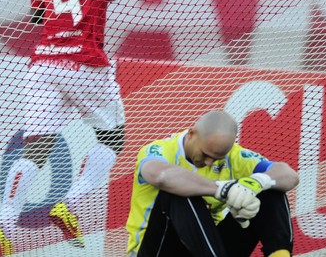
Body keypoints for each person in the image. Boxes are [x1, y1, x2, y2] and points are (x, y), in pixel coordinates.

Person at [0, 0, 169, 256]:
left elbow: (40, 15)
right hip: (83, 63)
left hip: (43, 65)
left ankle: (3, 227)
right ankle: (69, 202)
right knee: (113, 138)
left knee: (36, 147)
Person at [126, 110, 300, 256]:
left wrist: (255, 183)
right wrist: (223, 189)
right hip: (158, 249)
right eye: (205, 154)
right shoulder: (160, 150)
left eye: (217, 158)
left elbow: (289, 175)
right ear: (191, 134)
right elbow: (161, 176)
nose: (209, 162)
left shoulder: (234, 156)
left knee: (270, 186)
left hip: (208, 247)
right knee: (176, 190)